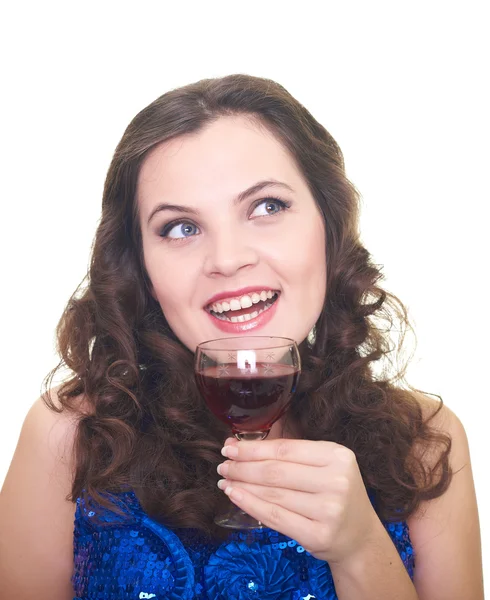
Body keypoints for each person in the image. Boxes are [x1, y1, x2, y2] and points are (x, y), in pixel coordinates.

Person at [0, 74, 483, 600]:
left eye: (267, 207)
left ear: (330, 223)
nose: (228, 259)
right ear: (141, 268)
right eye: (181, 227)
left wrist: (361, 548)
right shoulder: (71, 436)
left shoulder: (425, 441)